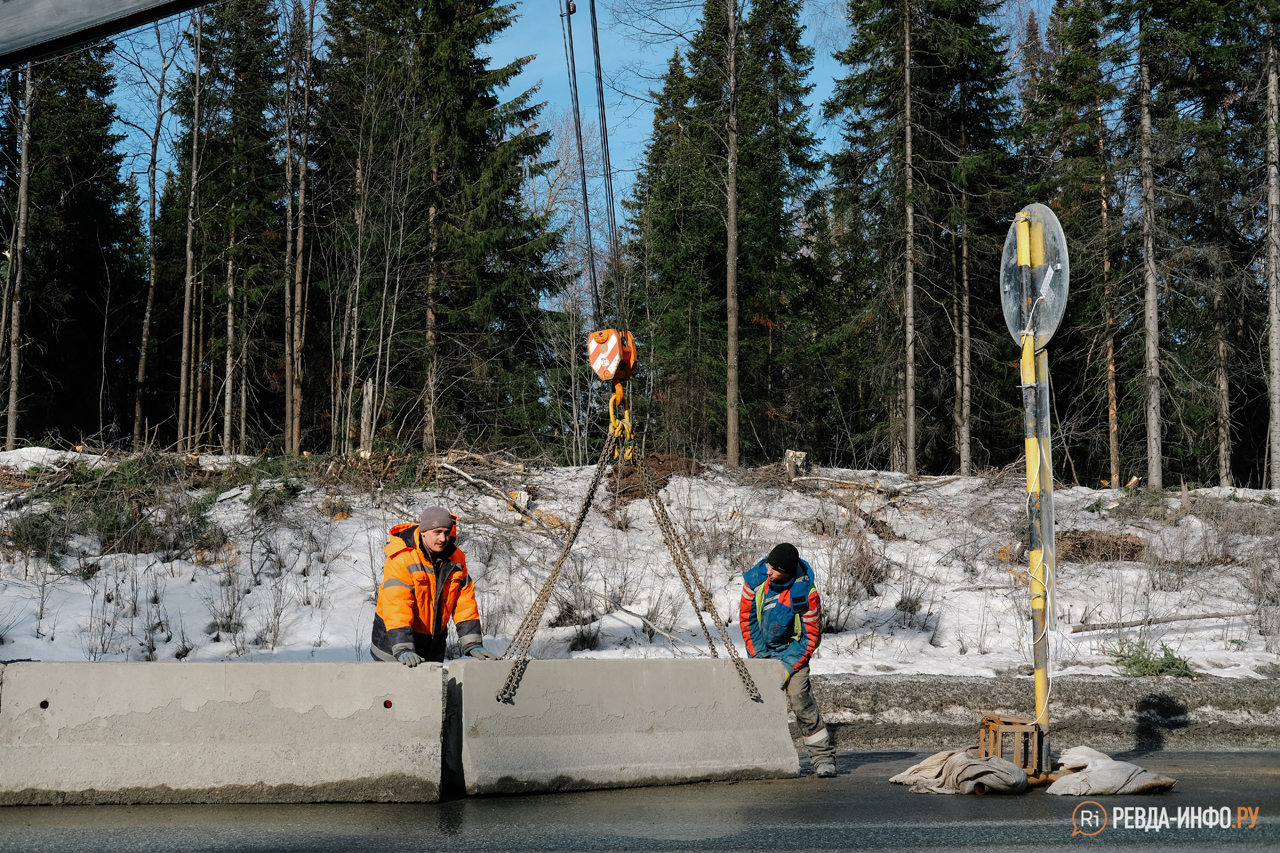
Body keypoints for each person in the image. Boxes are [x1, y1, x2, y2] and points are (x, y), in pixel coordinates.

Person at [739, 542, 836, 778]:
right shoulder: (756, 580)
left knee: (800, 700)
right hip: (763, 650)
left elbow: (810, 636)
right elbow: (747, 621)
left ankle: (823, 759)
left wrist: (786, 668)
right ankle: (758, 758)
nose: (768, 571)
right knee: (757, 704)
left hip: (793, 651)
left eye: (775, 569)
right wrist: (761, 660)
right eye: (769, 564)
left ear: (788, 572)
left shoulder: (805, 593)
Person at [371, 506, 499, 666]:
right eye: (437, 532)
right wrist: (403, 647)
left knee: (428, 690)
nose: (443, 538)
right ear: (423, 532)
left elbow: (464, 603)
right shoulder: (402, 558)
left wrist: (472, 643)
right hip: (392, 646)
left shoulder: (456, 559)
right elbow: (396, 605)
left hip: (432, 646)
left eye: (446, 532)